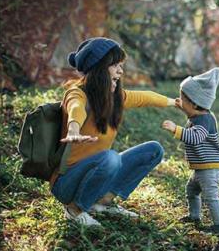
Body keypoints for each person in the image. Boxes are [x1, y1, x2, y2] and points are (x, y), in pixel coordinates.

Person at [52, 37, 177, 227]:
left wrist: (175, 103)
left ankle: (101, 203)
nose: (121, 71)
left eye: (121, 65)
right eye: (115, 65)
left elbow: (145, 97)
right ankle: (74, 210)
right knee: (111, 158)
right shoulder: (78, 93)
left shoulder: (113, 97)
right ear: (99, 69)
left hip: (96, 172)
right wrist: (73, 128)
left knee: (154, 150)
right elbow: (75, 107)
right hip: (67, 182)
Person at [161, 68, 219, 235]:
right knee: (191, 190)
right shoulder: (200, 114)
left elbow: (196, 137)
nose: (180, 100)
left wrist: (176, 130)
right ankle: (194, 216)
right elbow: (192, 116)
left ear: (194, 103)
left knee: (211, 196)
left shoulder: (204, 120)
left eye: (183, 98)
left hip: (210, 168)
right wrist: (182, 107)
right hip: (201, 167)